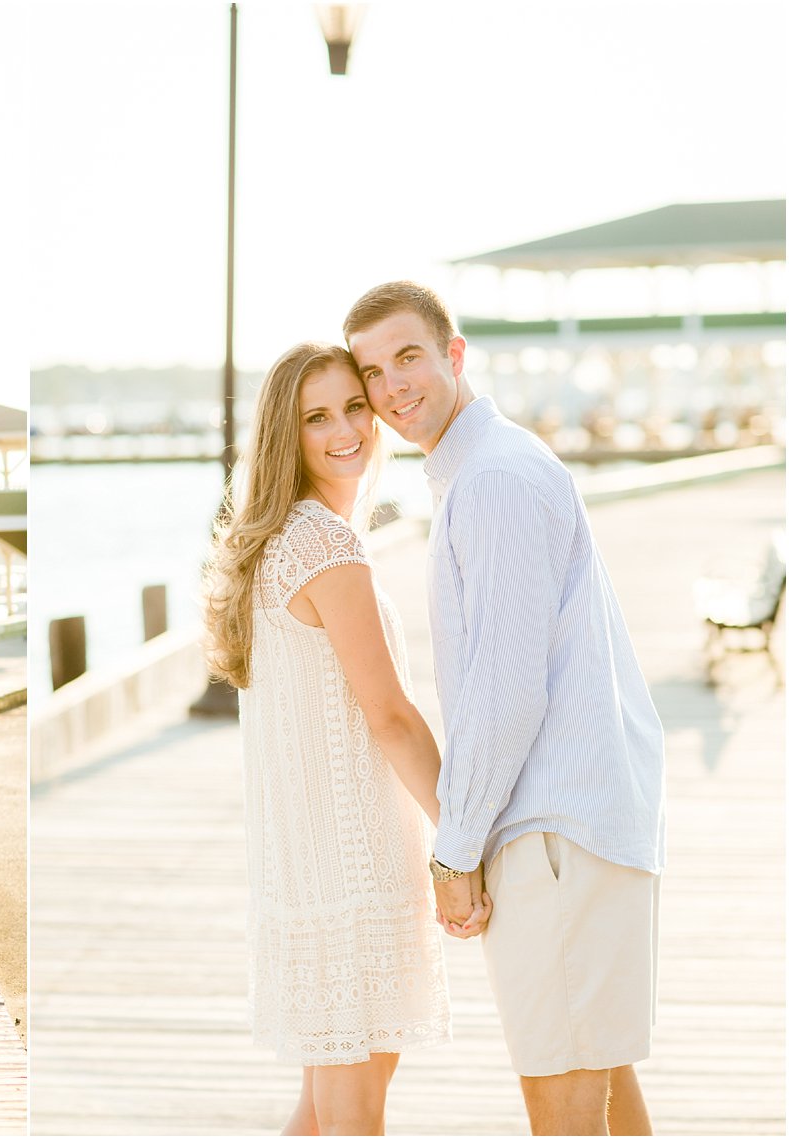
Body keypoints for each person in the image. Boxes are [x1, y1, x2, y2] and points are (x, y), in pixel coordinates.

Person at [344, 282, 665, 1136]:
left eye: (407, 356)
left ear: (454, 353)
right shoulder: (488, 469)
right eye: (372, 372)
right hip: (583, 824)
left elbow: (505, 691)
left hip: (555, 831)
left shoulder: (492, 481)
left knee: (561, 1104)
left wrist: (456, 850)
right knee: (602, 1086)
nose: (391, 386)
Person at [202, 341, 460, 1135]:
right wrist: (466, 830)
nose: (347, 428)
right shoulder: (325, 547)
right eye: (318, 416)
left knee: (318, 1117)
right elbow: (390, 714)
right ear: (288, 433)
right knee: (351, 1120)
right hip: (349, 871)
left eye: (356, 405)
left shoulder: (280, 539)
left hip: (310, 867)